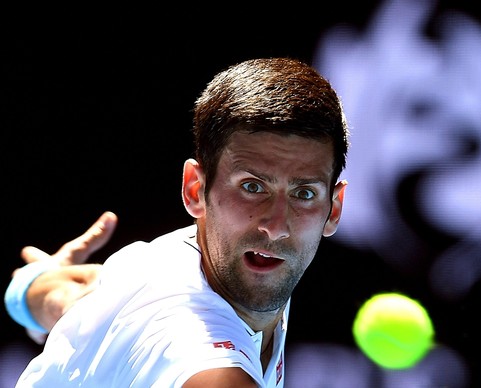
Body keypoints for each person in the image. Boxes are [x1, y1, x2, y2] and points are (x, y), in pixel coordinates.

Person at [5, 57, 349, 387]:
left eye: (303, 193)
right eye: (252, 187)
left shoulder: (146, 270)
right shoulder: (186, 343)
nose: (276, 226)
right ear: (195, 190)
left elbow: (62, 295)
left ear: (333, 209)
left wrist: (30, 287)